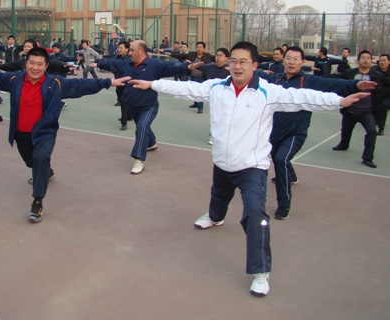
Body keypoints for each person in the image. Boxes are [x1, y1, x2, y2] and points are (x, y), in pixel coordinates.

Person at [129, 41, 367, 297]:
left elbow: (304, 97)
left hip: (252, 167)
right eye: (233, 61)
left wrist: (341, 101)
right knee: (218, 197)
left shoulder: (268, 92)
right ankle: (215, 217)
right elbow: (187, 89)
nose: (237, 66)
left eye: (243, 61)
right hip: (222, 162)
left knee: (255, 214)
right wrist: (153, 84)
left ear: (255, 65)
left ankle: (261, 271)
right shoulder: (218, 88)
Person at [0, 47, 130, 222]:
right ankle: (47, 170)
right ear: (26, 63)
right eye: (32, 63)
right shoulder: (14, 80)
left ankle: (37, 201)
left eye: (40, 64)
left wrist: (108, 83)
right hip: (21, 133)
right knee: (32, 162)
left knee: (39, 158)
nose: (35, 67)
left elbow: (81, 85)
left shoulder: (55, 83)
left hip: (45, 132)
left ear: (46, 66)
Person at [258, 46, 376, 220]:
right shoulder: (275, 80)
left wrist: (355, 84)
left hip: (295, 133)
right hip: (274, 132)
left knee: (280, 159)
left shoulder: (308, 81)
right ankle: (292, 175)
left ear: (302, 62)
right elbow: (257, 78)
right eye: (288, 58)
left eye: (296, 59)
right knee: (279, 158)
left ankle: (284, 205)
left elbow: (332, 84)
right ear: (283, 60)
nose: (291, 62)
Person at [91, 40, 193, 174]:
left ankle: (139, 159)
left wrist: (187, 67)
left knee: (141, 127)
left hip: (149, 105)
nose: (129, 53)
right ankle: (152, 142)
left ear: (141, 51)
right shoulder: (126, 63)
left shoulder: (154, 65)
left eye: (132, 50)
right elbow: (111, 63)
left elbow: (171, 66)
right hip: (133, 104)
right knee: (143, 126)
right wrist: (98, 62)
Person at [329, 50, 382, 168]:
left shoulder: (376, 76)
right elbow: (336, 79)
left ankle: (367, 158)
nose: (365, 60)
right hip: (350, 109)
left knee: (372, 131)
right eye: (363, 57)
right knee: (346, 130)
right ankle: (343, 144)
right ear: (358, 61)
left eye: (368, 58)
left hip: (366, 111)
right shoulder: (349, 73)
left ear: (371, 61)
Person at [169, 41, 214, 113]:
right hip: (193, 76)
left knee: (199, 92)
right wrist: (171, 54)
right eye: (197, 47)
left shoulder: (208, 56)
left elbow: (216, 59)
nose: (198, 49)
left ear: (204, 49)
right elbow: (182, 56)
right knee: (193, 91)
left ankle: (200, 108)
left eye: (200, 47)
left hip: (202, 77)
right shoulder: (192, 54)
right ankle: (196, 103)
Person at [373, 53, 390, 135]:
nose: (381, 62)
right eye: (380, 61)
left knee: (383, 106)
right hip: (377, 95)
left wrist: (383, 79)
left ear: (389, 62)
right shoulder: (375, 70)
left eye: (384, 60)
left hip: (388, 96)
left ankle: (381, 128)